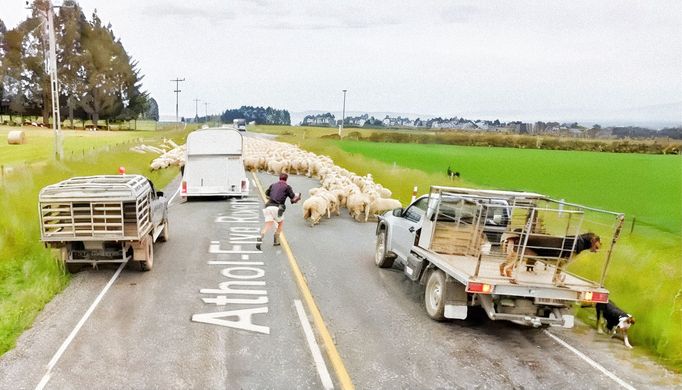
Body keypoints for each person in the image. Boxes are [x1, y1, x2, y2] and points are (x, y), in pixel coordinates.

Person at [257, 173, 301, 250]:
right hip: (278, 208)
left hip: (268, 207)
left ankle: (261, 236)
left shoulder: (273, 185)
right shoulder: (287, 187)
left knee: (268, 225)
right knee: (280, 224)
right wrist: (297, 197)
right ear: (286, 179)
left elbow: (267, 194)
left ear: (279, 178)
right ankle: (276, 241)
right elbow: (293, 198)